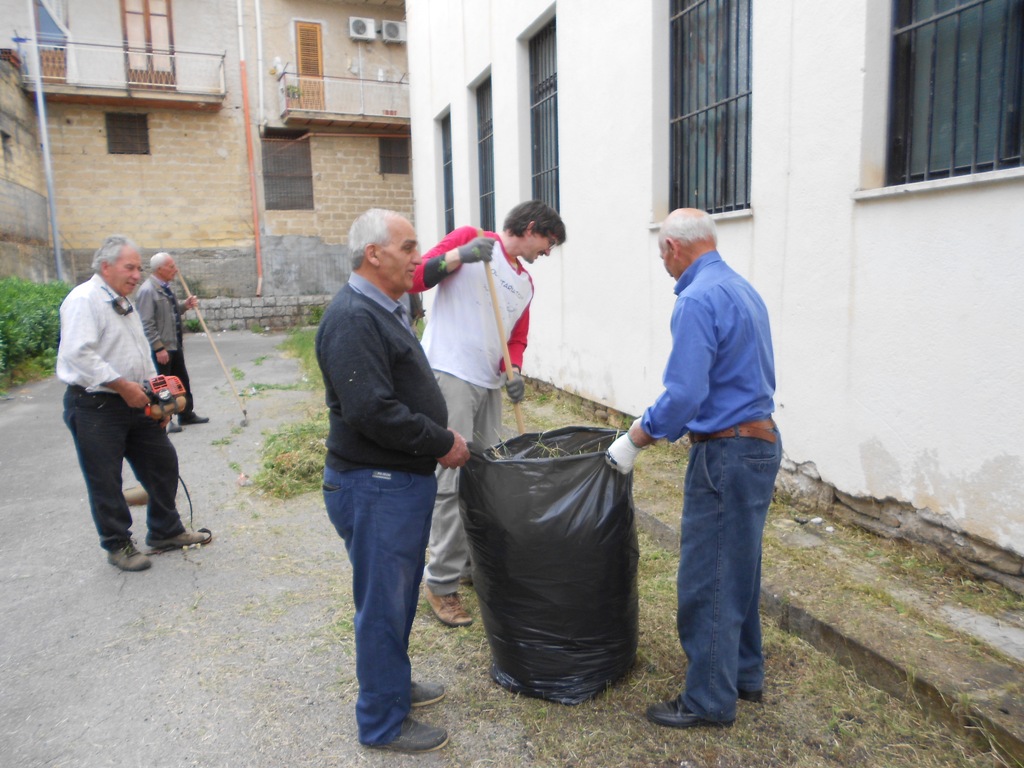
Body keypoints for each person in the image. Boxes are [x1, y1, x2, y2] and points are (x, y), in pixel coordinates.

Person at [606, 208, 781, 729]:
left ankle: (708, 699)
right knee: (740, 568)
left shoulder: (697, 299)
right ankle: (745, 674)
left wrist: (635, 438)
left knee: (709, 577)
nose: (664, 263)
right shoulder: (742, 289)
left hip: (726, 453)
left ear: (674, 250)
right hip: (759, 443)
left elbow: (684, 394)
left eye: (662, 254)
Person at [315, 208, 471, 754]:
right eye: (409, 248)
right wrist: (440, 441)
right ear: (373, 254)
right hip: (374, 485)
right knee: (383, 605)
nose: (418, 258)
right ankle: (382, 722)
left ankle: (394, 686)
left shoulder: (386, 307)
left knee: (399, 597)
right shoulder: (354, 317)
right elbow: (372, 411)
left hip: (394, 483)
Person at [411, 200, 567, 628]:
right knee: (451, 477)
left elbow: (515, 339)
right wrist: (459, 255)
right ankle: (440, 583)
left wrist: (512, 372)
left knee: (486, 476)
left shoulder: (526, 285)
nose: (547, 253)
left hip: (487, 385)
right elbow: (415, 279)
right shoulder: (471, 240)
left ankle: (467, 565)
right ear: (532, 228)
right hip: (450, 373)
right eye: (548, 243)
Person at [57, 235, 213, 572]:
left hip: (135, 401)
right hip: (95, 404)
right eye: (130, 267)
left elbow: (139, 356)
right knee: (105, 479)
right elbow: (77, 353)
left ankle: (165, 531)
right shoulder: (84, 299)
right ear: (105, 266)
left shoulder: (123, 302)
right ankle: (118, 545)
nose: (136, 274)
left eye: (139, 268)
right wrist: (122, 386)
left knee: (162, 461)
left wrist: (155, 399)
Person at [135, 252, 209, 433]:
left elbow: (171, 312)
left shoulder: (166, 288)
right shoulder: (147, 291)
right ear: (160, 269)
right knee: (162, 387)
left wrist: (185, 305)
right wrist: (158, 347)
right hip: (162, 348)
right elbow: (146, 323)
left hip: (174, 344)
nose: (175, 270)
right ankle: (164, 419)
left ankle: (186, 414)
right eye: (171, 266)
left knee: (181, 381)